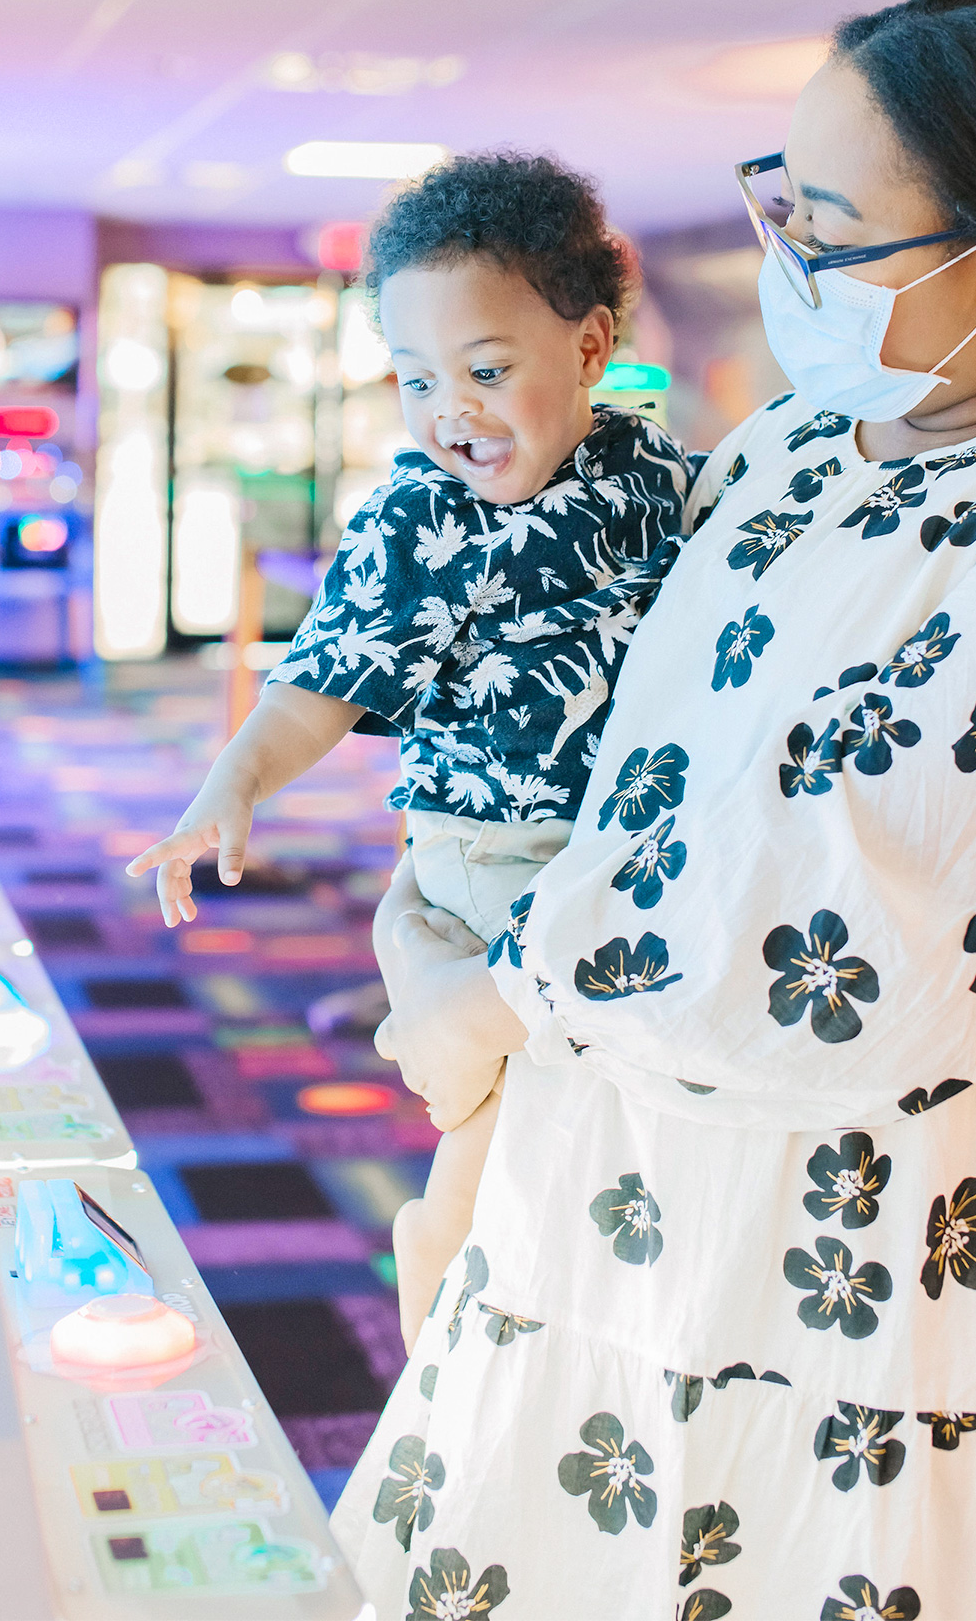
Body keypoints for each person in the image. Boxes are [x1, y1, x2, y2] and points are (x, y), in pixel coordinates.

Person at [334, 0, 976, 1615]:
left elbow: (859, 943)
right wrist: (422, 897)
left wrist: (483, 985)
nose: (783, 254)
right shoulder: (796, 447)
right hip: (614, 1193)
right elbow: (620, 741)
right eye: (773, 195)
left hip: (892, 1265)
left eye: (830, 228)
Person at [127, 151, 692, 1345]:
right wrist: (231, 788)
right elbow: (317, 684)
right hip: (499, 849)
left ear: (591, 348)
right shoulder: (419, 519)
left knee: (601, 1111)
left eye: (487, 370)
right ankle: (440, 1307)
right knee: (510, 1122)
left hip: (620, 846)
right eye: (416, 379)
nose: (452, 412)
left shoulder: (652, 475)